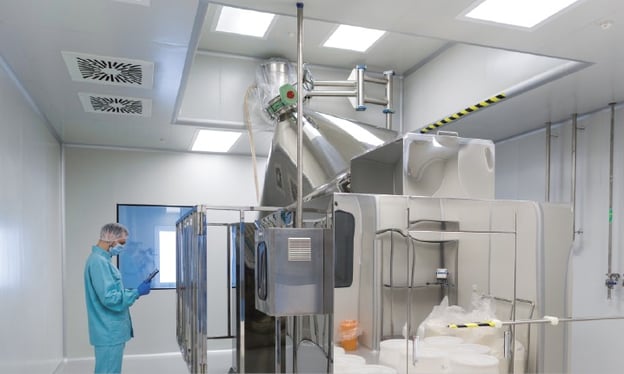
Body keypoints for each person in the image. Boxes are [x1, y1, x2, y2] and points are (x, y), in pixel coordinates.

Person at [84, 223, 152, 374]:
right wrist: (136, 293)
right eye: (121, 243)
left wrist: (132, 291)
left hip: (109, 330)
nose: (122, 247)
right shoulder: (98, 262)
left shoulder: (103, 261)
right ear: (111, 239)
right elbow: (109, 298)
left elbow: (110, 292)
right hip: (108, 330)